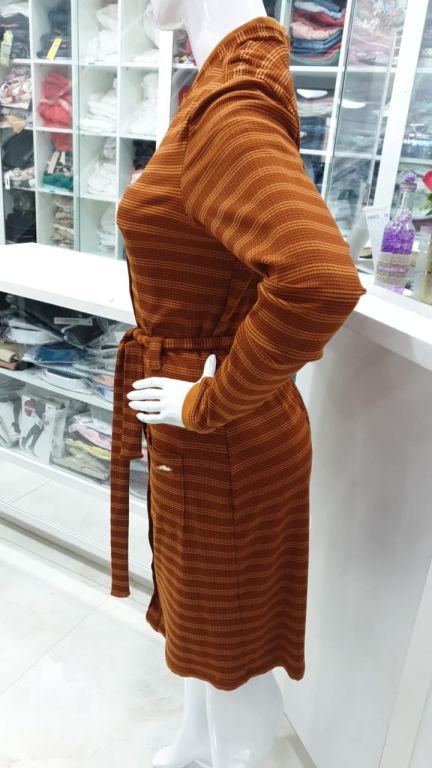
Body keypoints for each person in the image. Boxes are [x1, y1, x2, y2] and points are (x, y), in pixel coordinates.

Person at [110, 1, 366, 766]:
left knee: (235, 653)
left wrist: (206, 401)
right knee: (207, 625)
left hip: (221, 439)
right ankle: (195, 744)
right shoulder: (222, 88)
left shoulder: (230, 107)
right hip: (202, 435)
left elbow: (318, 280)